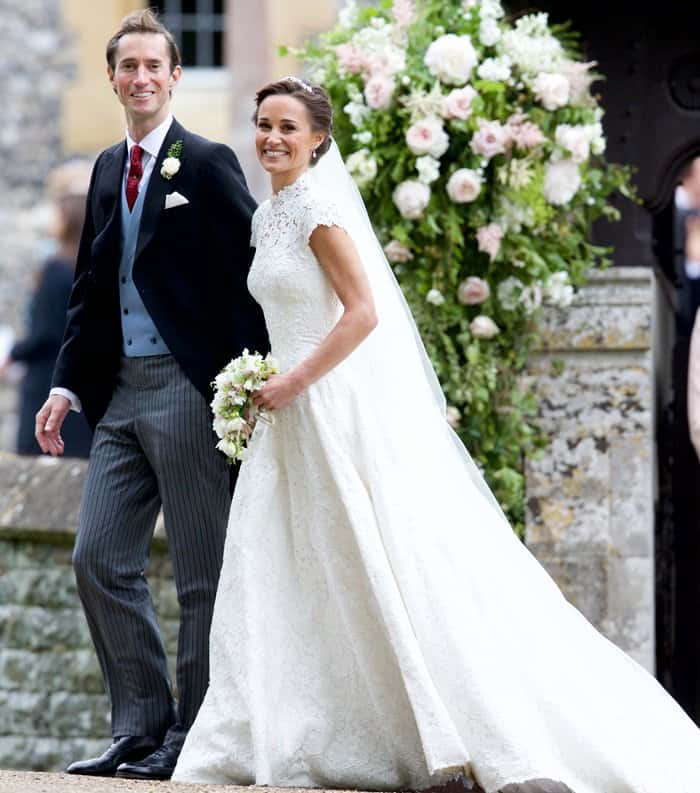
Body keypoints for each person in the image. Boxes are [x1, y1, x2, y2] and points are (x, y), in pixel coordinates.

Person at [173, 78, 700, 793]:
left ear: (318, 138)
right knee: (283, 563)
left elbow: (362, 314)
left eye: (287, 127)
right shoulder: (269, 214)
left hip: (327, 408)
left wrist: (294, 383)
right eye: (264, 124)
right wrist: (263, 385)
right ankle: (286, 723)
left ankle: (441, 724)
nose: (271, 137)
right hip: (285, 417)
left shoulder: (320, 212)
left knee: (378, 556)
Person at [33, 9, 267, 781]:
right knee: (96, 556)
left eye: (152, 66)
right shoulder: (105, 167)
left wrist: (242, 387)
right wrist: (67, 384)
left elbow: (251, 280)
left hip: (187, 390)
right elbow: (91, 287)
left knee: (201, 576)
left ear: (171, 77)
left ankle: (194, 738)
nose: (139, 78)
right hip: (118, 397)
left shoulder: (206, 163)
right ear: (112, 77)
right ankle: (139, 727)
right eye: (126, 66)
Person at [1, 162, 93, 457]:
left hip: (48, 384)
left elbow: (44, 333)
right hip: (78, 386)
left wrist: (12, 354)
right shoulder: (90, 266)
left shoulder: (56, 269)